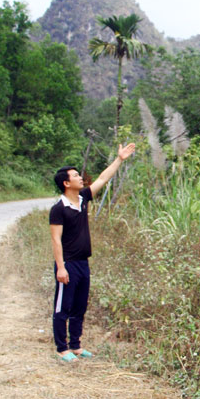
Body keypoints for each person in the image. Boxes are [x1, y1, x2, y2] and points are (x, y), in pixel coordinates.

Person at [49, 143, 135, 362]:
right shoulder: (58, 208)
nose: (81, 178)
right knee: (63, 307)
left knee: (79, 305)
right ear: (66, 183)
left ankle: (76, 345)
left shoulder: (83, 198)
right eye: (76, 176)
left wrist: (120, 159)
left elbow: (103, 179)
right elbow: (56, 239)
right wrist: (60, 267)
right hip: (67, 263)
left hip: (82, 263)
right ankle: (62, 349)